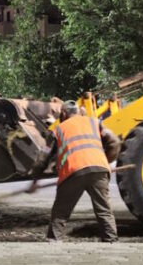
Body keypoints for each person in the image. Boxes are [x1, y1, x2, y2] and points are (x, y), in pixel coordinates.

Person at [28, 100, 121, 242]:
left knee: (61, 211)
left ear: (64, 113)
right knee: (104, 209)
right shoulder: (95, 122)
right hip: (99, 170)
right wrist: (105, 161)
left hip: (73, 172)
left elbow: (43, 158)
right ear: (78, 111)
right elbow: (114, 142)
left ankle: (53, 239)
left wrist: (34, 180)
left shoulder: (57, 130)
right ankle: (111, 239)